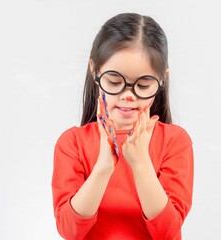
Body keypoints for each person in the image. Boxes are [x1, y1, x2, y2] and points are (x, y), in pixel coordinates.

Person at [52, 13, 194, 240]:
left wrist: (140, 163)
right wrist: (103, 167)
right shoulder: (72, 144)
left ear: (161, 80)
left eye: (143, 85)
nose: (128, 96)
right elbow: (70, 231)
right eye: (114, 82)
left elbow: (168, 232)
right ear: (95, 71)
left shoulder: (174, 142)